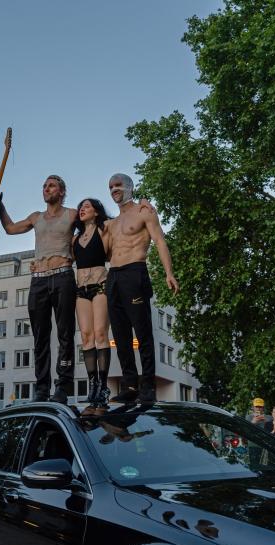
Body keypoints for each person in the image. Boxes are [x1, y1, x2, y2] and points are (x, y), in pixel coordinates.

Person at [0, 175, 78, 403]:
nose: (46, 189)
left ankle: (62, 387)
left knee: (65, 335)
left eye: (51, 185)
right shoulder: (36, 217)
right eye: (44, 186)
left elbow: (93, 226)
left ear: (61, 191)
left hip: (63, 277)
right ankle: (42, 389)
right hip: (39, 280)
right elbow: (10, 229)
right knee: (40, 338)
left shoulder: (72, 214)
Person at [103, 173, 179, 403]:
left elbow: (160, 241)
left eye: (118, 185)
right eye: (110, 186)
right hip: (113, 276)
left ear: (129, 187)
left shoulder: (144, 211)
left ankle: (148, 387)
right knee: (120, 334)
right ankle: (129, 386)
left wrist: (169, 273)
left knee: (143, 332)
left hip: (135, 272)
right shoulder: (111, 223)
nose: (114, 189)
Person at [72, 198, 113, 414]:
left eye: (86, 206)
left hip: (100, 286)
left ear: (96, 211)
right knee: (86, 336)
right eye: (80, 207)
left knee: (100, 334)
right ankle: (93, 384)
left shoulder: (105, 230)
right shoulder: (75, 239)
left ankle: (104, 386)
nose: (82, 209)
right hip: (81, 289)